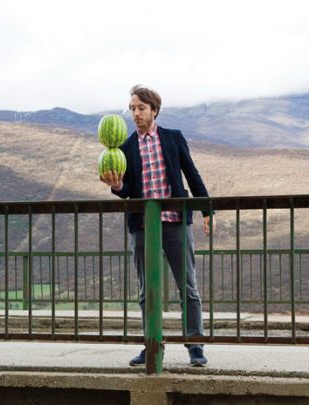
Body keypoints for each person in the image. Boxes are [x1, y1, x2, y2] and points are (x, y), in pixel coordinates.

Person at [100, 84, 215, 367]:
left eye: (141, 108)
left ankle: (195, 346)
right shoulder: (125, 147)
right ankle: (152, 346)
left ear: (154, 110)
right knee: (145, 291)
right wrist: (115, 186)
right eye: (132, 109)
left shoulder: (173, 139)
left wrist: (206, 210)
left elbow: (192, 174)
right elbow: (127, 189)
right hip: (142, 226)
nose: (136, 114)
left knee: (187, 287)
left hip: (175, 222)